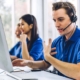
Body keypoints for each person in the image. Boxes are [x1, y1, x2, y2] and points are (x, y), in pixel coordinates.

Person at [12, 2, 80, 79]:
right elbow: (45, 64)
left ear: (73, 19)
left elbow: (78, 73)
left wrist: (49, 57)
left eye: (61, 19)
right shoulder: (57, 41)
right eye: (54, 20)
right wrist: (28, 63)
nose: (56, 25)